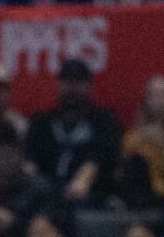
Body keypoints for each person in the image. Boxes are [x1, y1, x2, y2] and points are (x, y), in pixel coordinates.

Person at [24, 58, 120, 204]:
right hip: (45, 190)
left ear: (88, 86)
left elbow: (97, 157)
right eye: (67, 82)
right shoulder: (41, 121)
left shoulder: (104, 121)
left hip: (89, 194)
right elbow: (30, 162)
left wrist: (81, 182)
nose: (71, 88)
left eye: (78, 82)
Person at [119, 73, 164, 208]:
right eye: (155, 95)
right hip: (144, 202)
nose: (160, 101)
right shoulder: (133, 138)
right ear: (146, 99)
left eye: (163, 95)